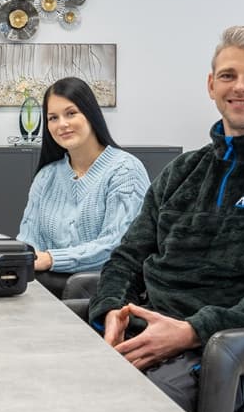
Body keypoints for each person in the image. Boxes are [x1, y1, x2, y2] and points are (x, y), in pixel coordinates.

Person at [88, 26, 244, 412]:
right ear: (211, 85)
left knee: (132, 411)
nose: (240, 86)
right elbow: (128, 257)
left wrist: (193, 331)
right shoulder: (182, 171)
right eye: (228, 75)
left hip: (224, 354)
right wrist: (109, 313)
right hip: (145, 329)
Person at [15, 77, 149, 298]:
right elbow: (28, 240)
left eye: (71, 113)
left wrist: (51, 258)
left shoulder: (125, 170)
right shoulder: (46, 176)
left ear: (90, 113)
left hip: (105, 294)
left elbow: (117, 245)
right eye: (53, 118)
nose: (62, 124)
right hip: (46, 290)